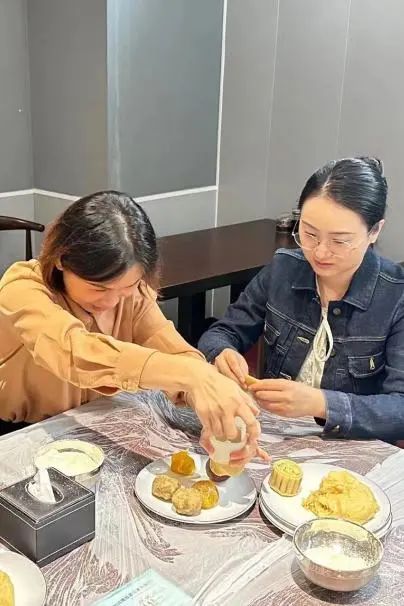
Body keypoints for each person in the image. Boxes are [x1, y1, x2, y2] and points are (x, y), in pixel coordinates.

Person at [0, 191, 261, 455]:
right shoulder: (22, 287)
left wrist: (209, 404)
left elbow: (171, 349)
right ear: (60, 259)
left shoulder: (135, 295)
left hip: (93, 423)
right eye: (99, 288)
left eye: (128, 286)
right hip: (21, 433)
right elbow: (72, 352)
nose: (112, 301)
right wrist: (192, 374)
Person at [199, 157, 404, 443]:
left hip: (351, 447)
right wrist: (222, 352)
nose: (320, 252)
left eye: (339, 241)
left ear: (374, 231)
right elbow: (222, 332)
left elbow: (399, 409)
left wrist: (321, 404)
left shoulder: (395, 296)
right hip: (273, 433)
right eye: (309, 234)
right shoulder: (284, 268)